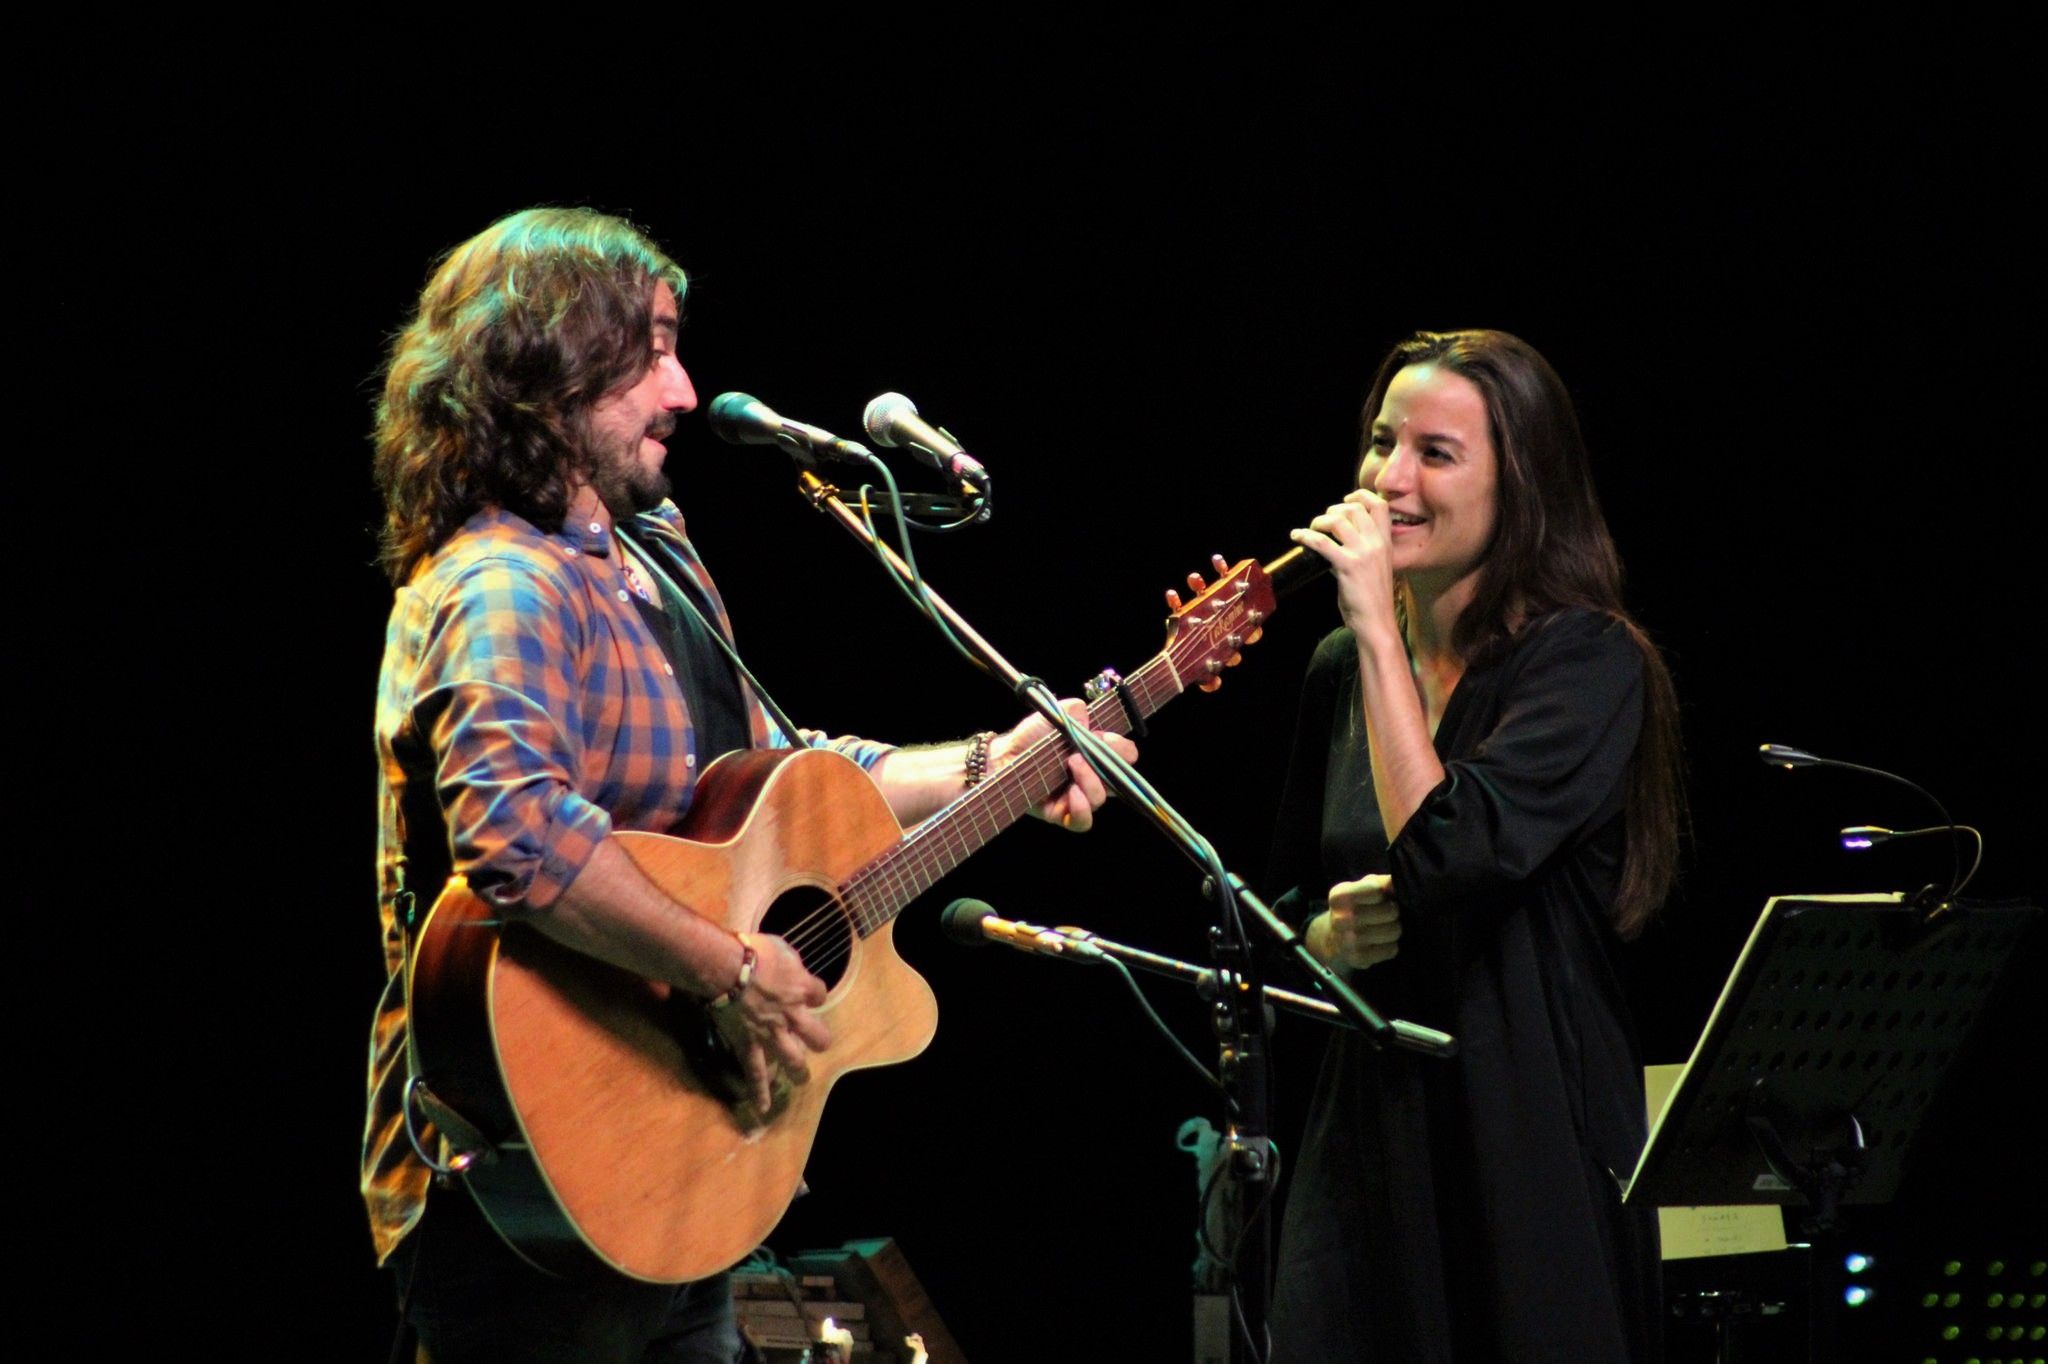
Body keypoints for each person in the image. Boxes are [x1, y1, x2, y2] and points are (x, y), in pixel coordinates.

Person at [364, 207, 1134, 1363]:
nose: (683, 391)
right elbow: (517, 835)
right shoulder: (501, 580)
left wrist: (998, 764)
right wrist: (728, 968)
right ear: (546, 370)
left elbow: (793, 775)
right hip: (531, 1194)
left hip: (688, 1167)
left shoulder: (655, 556)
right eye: (654, 349)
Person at [1269, 329, 1683, 1362]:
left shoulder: (1584, 661)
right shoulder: (1335, 669)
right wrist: (1323, 932)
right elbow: (1272, 901)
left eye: (1434, 453)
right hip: (1369, 1135)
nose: (1387, 480)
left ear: (1520, 482)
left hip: (1524, 1128)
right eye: (1379, 442)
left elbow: (1450, 850)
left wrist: (1374, 628)